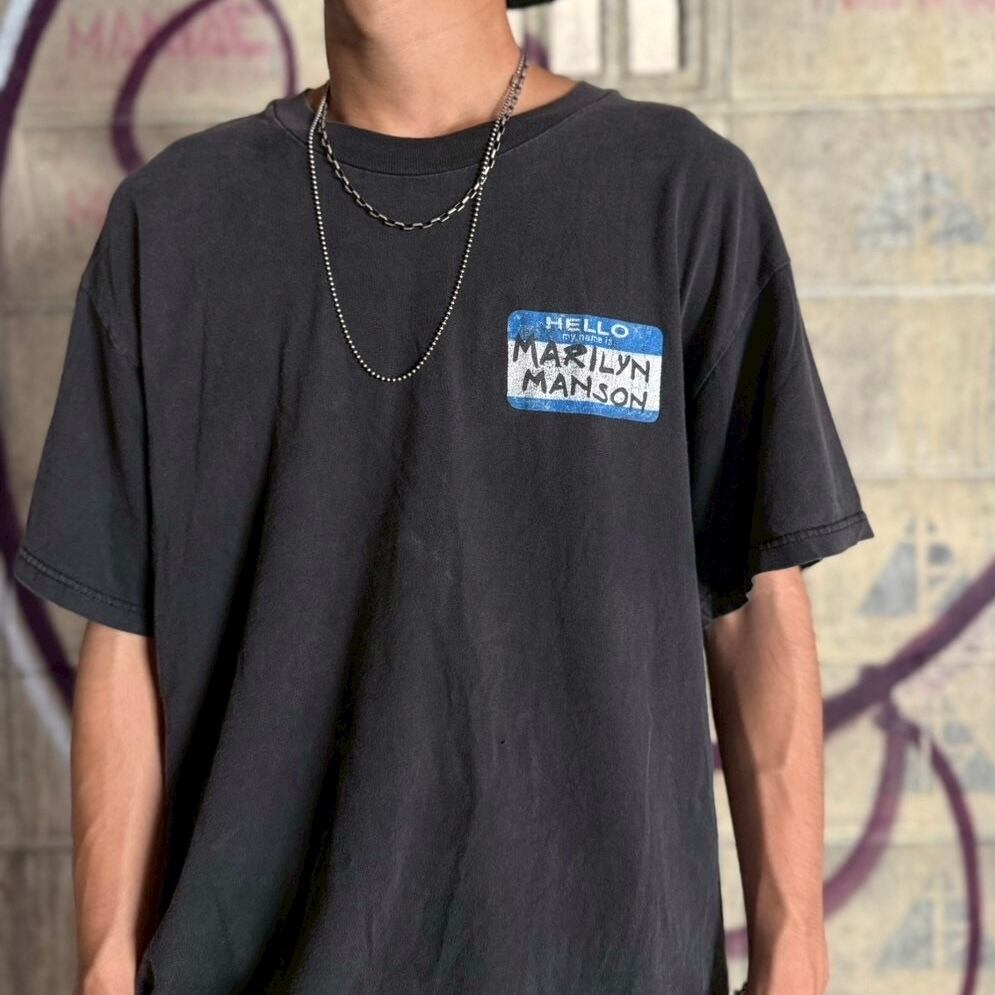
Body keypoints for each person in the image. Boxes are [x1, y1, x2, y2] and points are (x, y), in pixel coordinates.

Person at [11, 0, 874, 992]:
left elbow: (754, 600)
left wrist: (794, 944)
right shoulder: (173, 222)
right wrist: (102, 962)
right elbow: (124, 627)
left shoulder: (676, 192)